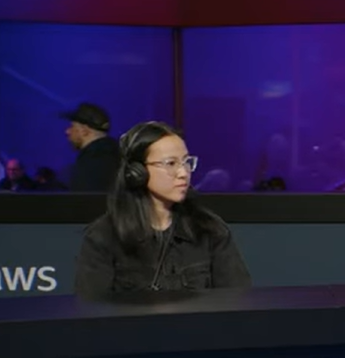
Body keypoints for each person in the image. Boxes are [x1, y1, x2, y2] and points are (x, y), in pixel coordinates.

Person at [75, 121, 251, 295]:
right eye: (171, 163)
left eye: (186, 162)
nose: (183, 173)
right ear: (137, 172)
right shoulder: (103, 237)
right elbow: (91, 314)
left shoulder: (210, 230)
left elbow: (237, 303)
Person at [62, 102, 121, 192]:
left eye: (72, 126)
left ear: (84, 131)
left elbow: (83, 202)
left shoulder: (91, 162)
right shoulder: (120, 155)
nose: (67, 131)